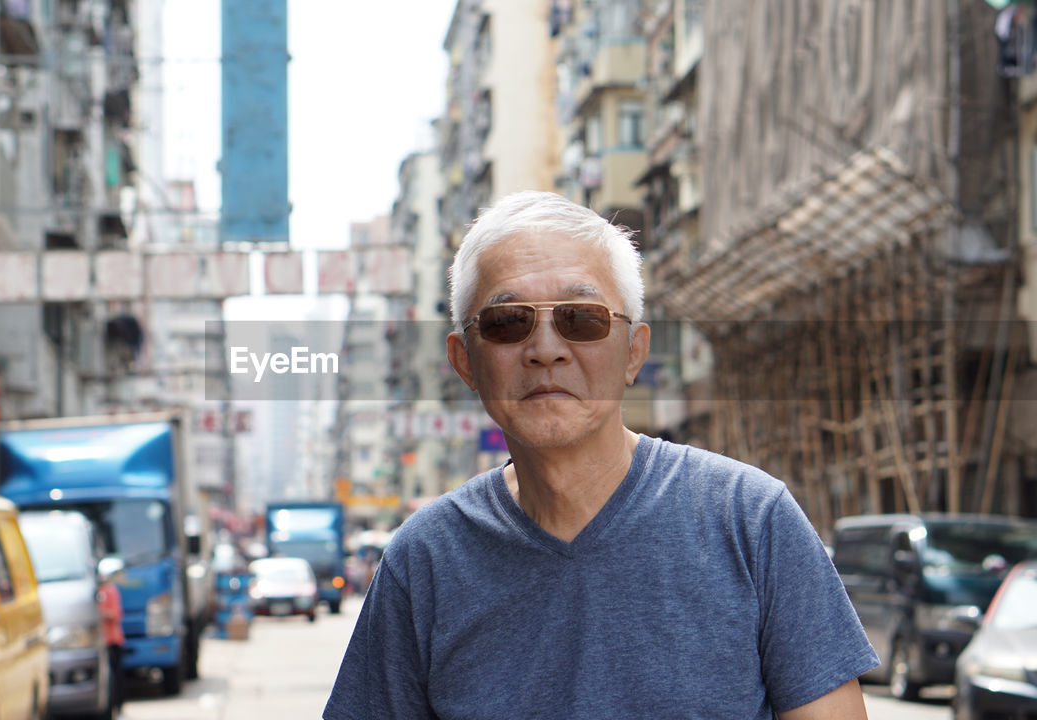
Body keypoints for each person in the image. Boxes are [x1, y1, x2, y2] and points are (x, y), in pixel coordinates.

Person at [323, 191, 878, 719]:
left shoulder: (751, 521)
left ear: (634, 352)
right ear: (465, 361)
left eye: (581, 319)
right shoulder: (424, 561)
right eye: (508, 323)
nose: (545, 351)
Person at [97, 570, 126, 718]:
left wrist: (100, 613)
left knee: (116, 677)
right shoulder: (97, 592)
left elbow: (115, 614)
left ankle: (119, 707)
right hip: (102, 642)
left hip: (113, 640)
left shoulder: (110, 591)